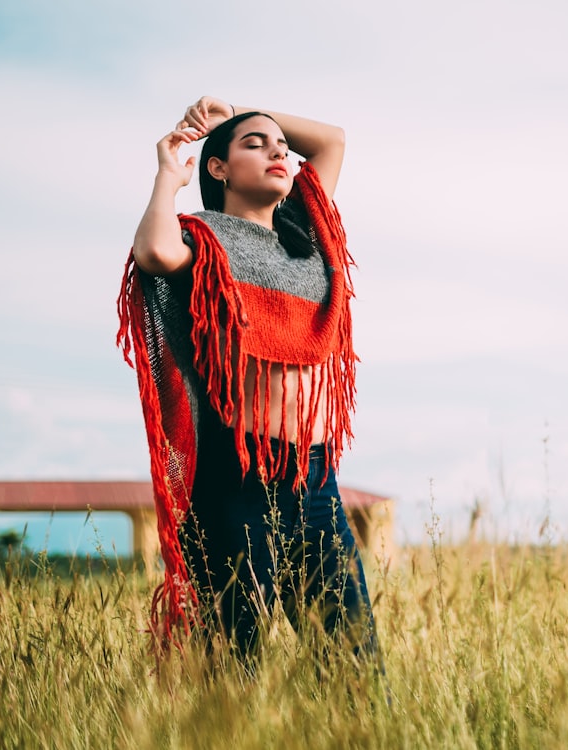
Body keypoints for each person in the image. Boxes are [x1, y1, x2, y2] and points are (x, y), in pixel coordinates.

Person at [117, 96, 381, 671]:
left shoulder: (307, 238)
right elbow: (154, 252)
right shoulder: (202, 237)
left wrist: (238, 114)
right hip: (237, 481)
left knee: (353, 665)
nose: (278, 152)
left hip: (316, 483)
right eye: (253, 146)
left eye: (282, 146)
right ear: (219, 168)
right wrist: (169, 171)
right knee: (234, 670)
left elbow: (331, 139)